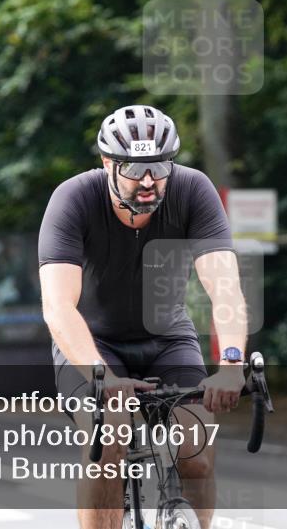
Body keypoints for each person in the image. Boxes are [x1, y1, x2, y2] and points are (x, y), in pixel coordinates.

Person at [39, 105, 248, 529]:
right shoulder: (73, 198)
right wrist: (102, 376)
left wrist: (230, 363)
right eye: (135, 169)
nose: (150, 181)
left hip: (167, 340)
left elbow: (223, 285)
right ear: (108, 164)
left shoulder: (193, 190)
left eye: (159, 166)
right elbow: (58, 306)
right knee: (109, 439)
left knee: (197, 448)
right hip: (92, 345)